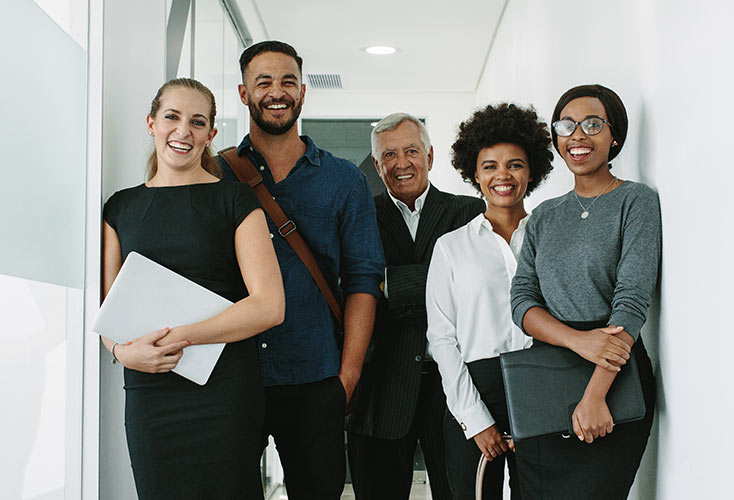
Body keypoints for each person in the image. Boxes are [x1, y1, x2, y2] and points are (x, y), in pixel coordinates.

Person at [101, 77, 285, 500]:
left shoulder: (235, 200)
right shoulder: (121, 207)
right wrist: (121, 352)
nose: (183, 131)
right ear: (151, 123)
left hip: (224, 392)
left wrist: (179, 337)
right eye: (172, 117)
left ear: (211, 135)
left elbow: (269, 306)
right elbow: (108, 309)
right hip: (150, 393)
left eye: (197, 122)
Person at [218, 40, 385, 500]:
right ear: (243, 92)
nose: (277, 91)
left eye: (288, 81)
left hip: (315, 376)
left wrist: (346, 377)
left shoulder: (343, 180)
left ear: (303, 92)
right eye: (264, 82)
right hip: (232, 374)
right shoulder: (216, 176)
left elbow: (363, 280)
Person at [510, 84, 660, 499]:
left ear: (614, 136)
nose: (577, 135)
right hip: (547, 375)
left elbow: (631, 301)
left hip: (614, 374)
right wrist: (578, 341)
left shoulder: (636, 201)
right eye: (567, 124)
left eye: (593, 124)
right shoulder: (543, 215)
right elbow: (522, 299)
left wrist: (595, 396)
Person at [347, 113, 484, 500]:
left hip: (455, 388)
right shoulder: (359, 216)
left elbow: (476, 292)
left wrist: (387, 284)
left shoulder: (470, 213)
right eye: (389, 154)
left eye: (411, 151)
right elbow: (350, 291)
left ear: (430, 155)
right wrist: (443, 281)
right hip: (380, 387)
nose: (401, 163)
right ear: (377, 165)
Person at [425, 103, 553, 500]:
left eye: (515, 164)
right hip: (475, 389)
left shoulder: (552, 238)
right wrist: (475, 419)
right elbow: (442, 340)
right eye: (489, 166)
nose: (503, 175)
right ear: (474, 174)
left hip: (544, 385)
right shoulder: (451, 247)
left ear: (531, 172)